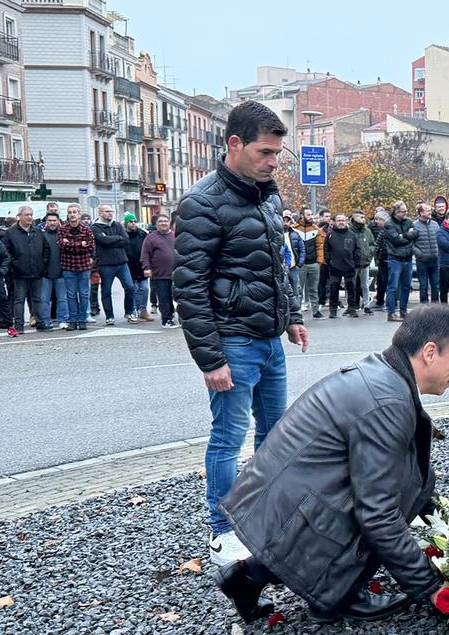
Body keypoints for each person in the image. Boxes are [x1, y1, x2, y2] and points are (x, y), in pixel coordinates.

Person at [213, 305, 449, 625]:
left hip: (277, 503)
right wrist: (429, 586)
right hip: (288, 509)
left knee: (391, 485)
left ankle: (246, 577)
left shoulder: (385, 376)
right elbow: (377, 513)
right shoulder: (388, 401)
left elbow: (410, 471)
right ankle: (336, 593)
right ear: (430, 352)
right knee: (380, 503)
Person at [172, 100, 309, 567]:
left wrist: (292, 316)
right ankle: (223, 531)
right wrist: (210, 359)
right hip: (232, 342)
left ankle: (266, 520)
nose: (273, 163)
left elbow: (277, 265)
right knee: (228, 438)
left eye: (277, 154)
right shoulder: (201, 203)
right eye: (264, 152)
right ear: (234, 144)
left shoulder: (268, 196)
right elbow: (189, 287)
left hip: (269, 341)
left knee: (275, 437)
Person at [1, 205, 49, 334]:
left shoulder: (38, 232)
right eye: (26, 215)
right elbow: (5, 251)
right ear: (19, 216)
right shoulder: (11, 233)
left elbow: (46, 249)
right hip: (19, 273)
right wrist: (14, 264)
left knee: (37, 299)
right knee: (19, 300)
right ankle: (19, 326)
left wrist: (43, 264)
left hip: (37, 272)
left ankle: (40, 323)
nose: (29, 217)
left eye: (31, 215)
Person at [90, 205, 134, 326]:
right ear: (100, 213)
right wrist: (117, 238)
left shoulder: (117, 225)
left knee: (130, 287)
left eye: (111, 211)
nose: (110, 213)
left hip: (122, 262)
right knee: (106, 291)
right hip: (105, 264)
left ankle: (129, 312)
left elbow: (126, 240)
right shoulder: (95, 227)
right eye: (107, 211)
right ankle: (109, 316)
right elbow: (103, 241)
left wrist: (110, 240)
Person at [57, 204, 94, 331]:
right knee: (71, 295)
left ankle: (82, 320)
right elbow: (62, 246)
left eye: (75, 212)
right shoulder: (62, 229)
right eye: (70, 212)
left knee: (84, 294)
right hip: (68, 266)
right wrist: (80, 244)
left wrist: (71, 243)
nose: (72, 214)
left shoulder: (86, 230)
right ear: (67, 215)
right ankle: (72, 320)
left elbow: (90, 246)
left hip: (84, 266)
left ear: (79, 214)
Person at [382, 201, 418, 322]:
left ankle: (403, 311)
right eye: (403, 211)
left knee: (406, 286)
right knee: (393, 286)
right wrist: (408, 235)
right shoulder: (389, 224)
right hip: (395, 258)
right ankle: (391, 313)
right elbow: (397, 240)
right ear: (396, 212)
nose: (406, 213)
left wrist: (404, 235)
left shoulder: (409, 221)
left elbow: (416, 233)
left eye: (406, 211)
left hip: (408, 258)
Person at [140, 214, 177, 328]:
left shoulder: (175, 236)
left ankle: (172, 316)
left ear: (169, 223)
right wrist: (146, 267)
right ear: (156, 224)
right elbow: (145, 254)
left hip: (177, 273)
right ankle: (166, 320)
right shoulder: (151, 238)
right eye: (160, 221)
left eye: (165, 221)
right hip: (160, 273)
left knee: (175, 297)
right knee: (164, 298)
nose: (163, 223)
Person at [324, 214, 360, 319]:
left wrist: (355, 262)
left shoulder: (352, 235)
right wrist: (329, 261)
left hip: (349, 266)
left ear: (346, 221)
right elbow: (326, 250)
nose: (341, 222)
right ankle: (333, 310)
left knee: (352, 289)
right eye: (339, 220)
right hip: (334, 267)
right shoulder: (330, 235)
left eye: (343, 220)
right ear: (335, 222)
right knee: (333, 289)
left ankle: (352, 309)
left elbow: (357, 249)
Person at [293, 208, 324, 318]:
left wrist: (319, 261)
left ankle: (316, 311)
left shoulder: (316, 229)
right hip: (300, 264)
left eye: (311, 214)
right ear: (302, 215)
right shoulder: (295, 229)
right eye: (308, 214)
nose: (311, 216)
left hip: (313, 263)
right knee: (298, 289)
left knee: (313, 289)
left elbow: (319, 246)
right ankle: (297, 312)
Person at [40, 212, 67, 330]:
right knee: (44, 299)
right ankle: (46, 320)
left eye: (54, 220)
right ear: (46, 222)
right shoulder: (41, 236)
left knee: (62, 299)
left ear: (58, 222)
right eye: (50, 220)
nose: (52, 223)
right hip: (45, 273)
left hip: (62, 272)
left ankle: (63, 320)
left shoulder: (63, 235)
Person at [411, 203, 440, 304]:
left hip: (435, 260)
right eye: (427, 210)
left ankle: (435, 307)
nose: (430, 212)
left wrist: (438, 252)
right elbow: (410, 243)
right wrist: (418, 253)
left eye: (430, 210)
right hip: (422, 261)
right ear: (421, 213)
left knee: (435, 285)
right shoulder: (414, 225)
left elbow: (439, 239)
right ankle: (424, 307)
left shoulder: (435, 225)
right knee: (423, 286)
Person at [124, 215, 151, 322]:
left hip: (142, 265)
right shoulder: (123, 234)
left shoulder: (142, 233)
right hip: (129, 266)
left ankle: (143, 309)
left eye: (135, 221)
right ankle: (134, 310)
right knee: (134, 290)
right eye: (130, 221)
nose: (133, 223)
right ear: (126, 223)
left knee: (145, 289)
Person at [348, 211, 375, 316]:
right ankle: (352, 306)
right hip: (352, 263)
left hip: (365, 262)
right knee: (351, 284)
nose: (363, 219)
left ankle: (367, 305)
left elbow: (372, 244)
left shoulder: (367, 231)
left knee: (365, 285)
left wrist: (369, 254)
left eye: (364, 217)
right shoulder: (349, 231)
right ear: (354, 218)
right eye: (361, 217)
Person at [280, 212, 305, 294]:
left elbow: (302, 249)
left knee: (296, 291)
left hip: (293, 267)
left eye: (287, 221)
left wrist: (299, 264)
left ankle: (297, 303)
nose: (285, 223)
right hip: (281, 268)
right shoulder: (277, 234)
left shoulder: (296, 234)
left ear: (290, 222)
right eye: (283, 221)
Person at [370, 210, 389, 310]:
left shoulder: (388, 230)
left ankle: (389, 303)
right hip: (382, 260)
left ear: (383, 219)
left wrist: (379, 255)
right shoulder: (383, 230)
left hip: (386, 260)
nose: (376, 222)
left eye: (377, 219)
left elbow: (383, 246)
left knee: (386, 281)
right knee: (381, 281)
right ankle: (380, 300)